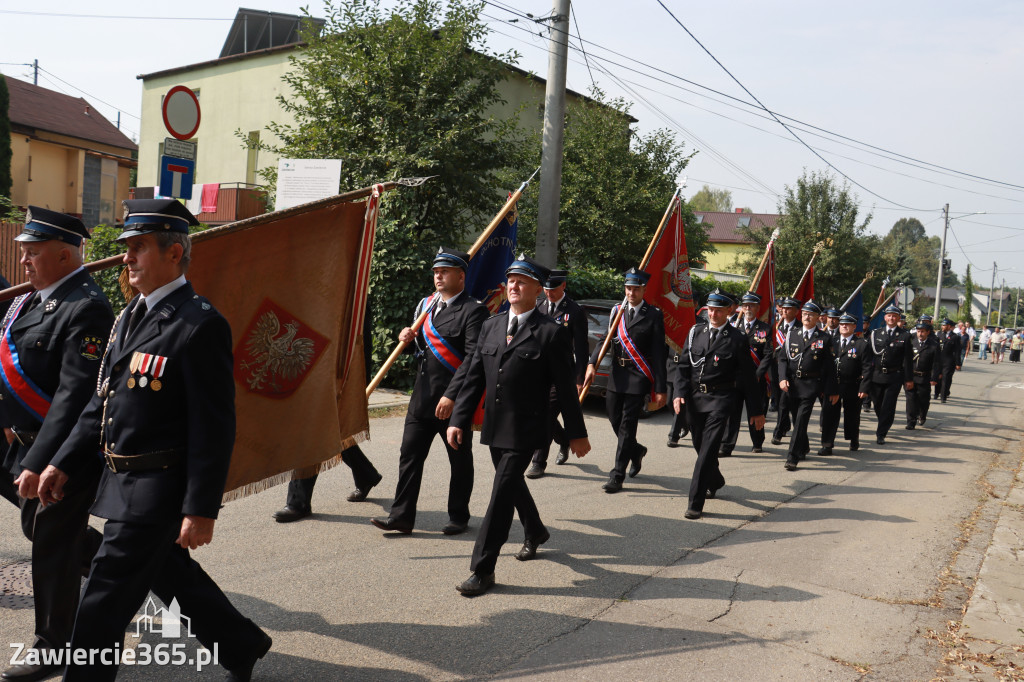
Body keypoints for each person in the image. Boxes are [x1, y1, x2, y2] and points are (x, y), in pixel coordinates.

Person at [36, 199, 271, 682]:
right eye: (127, 248)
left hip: (157, 490)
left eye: (139, 247)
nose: (127, 258)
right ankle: (242, 643)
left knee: (100, 605)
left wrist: (201, 508)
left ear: (174, 253)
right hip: (118, 480)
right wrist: (63, 462)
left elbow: (214, 426)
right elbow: (100, 402)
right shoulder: (128, 317)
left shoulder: (200, 323)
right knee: (169, 572)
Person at [0, 208, 114, 682]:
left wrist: (41, 459)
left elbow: (75, 394)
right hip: (20, 443)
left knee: (50, 541)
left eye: (32, 252)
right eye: (23, 251)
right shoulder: (31, 300)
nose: (23, 260)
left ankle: (52, 646)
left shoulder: (86, 306)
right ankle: (125, 567)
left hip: (65, 451)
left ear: (64, 255)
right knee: (57, 537)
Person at [446, 254, 590, 596]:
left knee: (499, 494)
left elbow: (566, 390)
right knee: (510, 486)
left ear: (537, 290)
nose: (513, 285)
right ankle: (535, 530)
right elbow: (473, 377)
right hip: (496, 427)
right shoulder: (491, 325)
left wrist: (576, 433)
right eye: (510, 279)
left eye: (522, 281)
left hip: (528, 428)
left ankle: (482, 569)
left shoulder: (552, 333)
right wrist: (459, 418)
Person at [370, 247, 487, 535]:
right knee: (409, 457)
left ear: (461, 276)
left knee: (459, 461)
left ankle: (458, 516)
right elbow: (419, 350)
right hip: (421, 399)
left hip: (453, 402)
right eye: (436, 271)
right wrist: (407, 340)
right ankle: (401, 517)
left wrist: (452, 396)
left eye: (444, 271)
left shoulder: (474, 310)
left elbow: (473, 358)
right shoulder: (426, 306)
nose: (438, 276)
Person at [273, 308, 382, 522]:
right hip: (313, 363)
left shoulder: (344, 287)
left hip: (336, 368)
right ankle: (365, 474)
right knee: (330, 428)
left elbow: (358, 338)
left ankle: (298, 502)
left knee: (313, 429)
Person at [672, 290, 764, 519]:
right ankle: (716, 479)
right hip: (695, 399)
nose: (713, 314)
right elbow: (683, 367)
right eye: (710, 309)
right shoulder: (696, 332)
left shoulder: (737, 338)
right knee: (699, 446)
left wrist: (756, 410)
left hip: (721, 400)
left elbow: (748, 376)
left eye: (719, 310)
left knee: (706, 453)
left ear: (729, 311)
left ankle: (695, 503)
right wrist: (678, 393)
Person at [585, 267, 666, 493]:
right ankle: (636, 450)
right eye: (628, 288)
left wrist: (659, 387)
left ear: (643, 290)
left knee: (628, 425)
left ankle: (617, 475)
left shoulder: (653, 315)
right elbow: (605, 339)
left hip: (638, 375)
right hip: (616, 374)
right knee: (614, 419)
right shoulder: (617, 311)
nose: (631, 293)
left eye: (636, 289)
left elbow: (659, 353)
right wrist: (592, 363)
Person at [526, 269, 588, 478]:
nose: (549, 293)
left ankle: (538, 462)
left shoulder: (575, 311)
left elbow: (581, 349)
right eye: (546, 289)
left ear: (563, 286)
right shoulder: (539, 306)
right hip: (538, 371)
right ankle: (562, 439)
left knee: (547, 414)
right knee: (542, 413)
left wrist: (579, 378)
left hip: (561, 374)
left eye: (553, 289)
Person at [777, 300, 839, 471]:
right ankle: (803, 447)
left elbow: (830, 367)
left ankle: (792, 456)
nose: (807, 316)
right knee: (796, 418)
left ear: (818, 318)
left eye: (811, 314)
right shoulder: (792, 334)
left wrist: (832, 390)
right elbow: (782, 358)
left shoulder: (824, 338)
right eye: (804, 313)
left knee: (801, 420)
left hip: (811, 385)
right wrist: (782, 378)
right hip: (792, 385)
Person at [719, 292, 771, 455]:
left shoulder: (765, 329)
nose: (748, 308)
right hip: (734, 378)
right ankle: (727, 445)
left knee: (755, 410)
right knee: (732, 413)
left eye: (751, 306)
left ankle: (757, 442)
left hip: (755, 378)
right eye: (745, 305)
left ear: (757, 308)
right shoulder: (733, 325)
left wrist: (759, 373)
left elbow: (769, 354)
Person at [819, 313, 871, 455]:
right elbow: (823, 365)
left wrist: (864, 387)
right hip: (833, 385)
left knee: (852, 416)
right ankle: (827, 444)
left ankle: (854, 438)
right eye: (842, 324)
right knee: (829, 414)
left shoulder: (861, 344)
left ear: (854, 327)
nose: (844, 326)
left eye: (847, 324)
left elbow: (867, 367)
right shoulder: (831, 341)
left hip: (852, 385)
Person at [866, 304, 914, 445]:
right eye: (889, 315)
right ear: (885, 317)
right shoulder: (875, 334)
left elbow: (907, 360)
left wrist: (909, 379)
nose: (891, 318)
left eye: (894, 316)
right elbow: (868, 355)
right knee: (878, 405)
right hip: (876, 375)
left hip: (894, 376)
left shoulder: (905, 336)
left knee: (888, 405)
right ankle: (884, 421)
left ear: (898, 318)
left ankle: (881, 433)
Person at [770, 297, 802, 445]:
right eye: (783, 308)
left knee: (785, 403)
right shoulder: (777, 326)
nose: (784, 310)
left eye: (788, 308)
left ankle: (780, 431)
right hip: (776, 369)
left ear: (796, 311)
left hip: (792, 372)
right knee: (779, 401)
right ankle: (784, 427)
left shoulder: (800, 328)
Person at [906, 320, 941, 429]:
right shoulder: (911, 342)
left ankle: (922, 414)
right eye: (918, 331)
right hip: (911, 376)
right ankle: (911, 422)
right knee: (911, 400)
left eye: (923, 331)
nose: (920, 334)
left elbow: (937, 363)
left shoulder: (933, 345)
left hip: (924, 377)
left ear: (928, 332)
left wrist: (934, 378)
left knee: (923, 399)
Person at [936, 318, 962, 403]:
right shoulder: (939, 334)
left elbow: (957, 351)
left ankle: (943, 397)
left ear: (949, 326)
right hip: (938, 360)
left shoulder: (955, 337)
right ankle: (937, 393)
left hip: (948, 360)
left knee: (946, 378)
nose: (942, 327)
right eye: (942, 325)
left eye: (944, 325)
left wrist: (958, 363)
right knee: (938, 377)